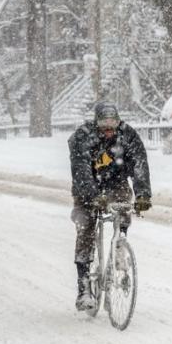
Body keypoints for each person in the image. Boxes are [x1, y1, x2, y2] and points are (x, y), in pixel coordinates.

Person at [68, 102, 152, 311]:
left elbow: (139, 163)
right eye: (104, 124)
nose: (108, 129)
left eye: (112, 123)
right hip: (88, 187)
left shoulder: (127, 136)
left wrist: (142, 194)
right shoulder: (83, 137)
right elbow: (81, 171)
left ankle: (119, 246)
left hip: (116, 183)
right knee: (86, 225)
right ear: (96, 123)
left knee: (124, 205)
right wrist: (93, 196)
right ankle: (84, 287)